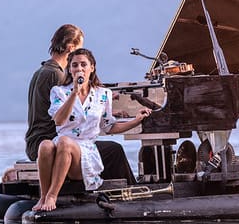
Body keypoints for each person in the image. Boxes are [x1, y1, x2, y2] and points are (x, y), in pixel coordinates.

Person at [33, 48, 151, 211]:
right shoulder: (59, 91)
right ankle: (44, 197)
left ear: (92, 67)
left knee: (65, 142)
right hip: (60, 145)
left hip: (84, 152)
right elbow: (59, 121)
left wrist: (136, 121)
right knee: (45, 145)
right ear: (69, 68)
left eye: (83, 64)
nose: (79, 69)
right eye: (74, 65)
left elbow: (109, 127)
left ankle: (53, 196)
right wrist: (74, 92)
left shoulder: (103, 94)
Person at [24, 24, 136, 183]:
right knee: (114, 150)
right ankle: (127, 191)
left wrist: (106, 108)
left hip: (34, 142)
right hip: (47, 143)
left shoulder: (42, 70)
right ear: (70, 48)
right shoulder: (58, 75)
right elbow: (69, 111)